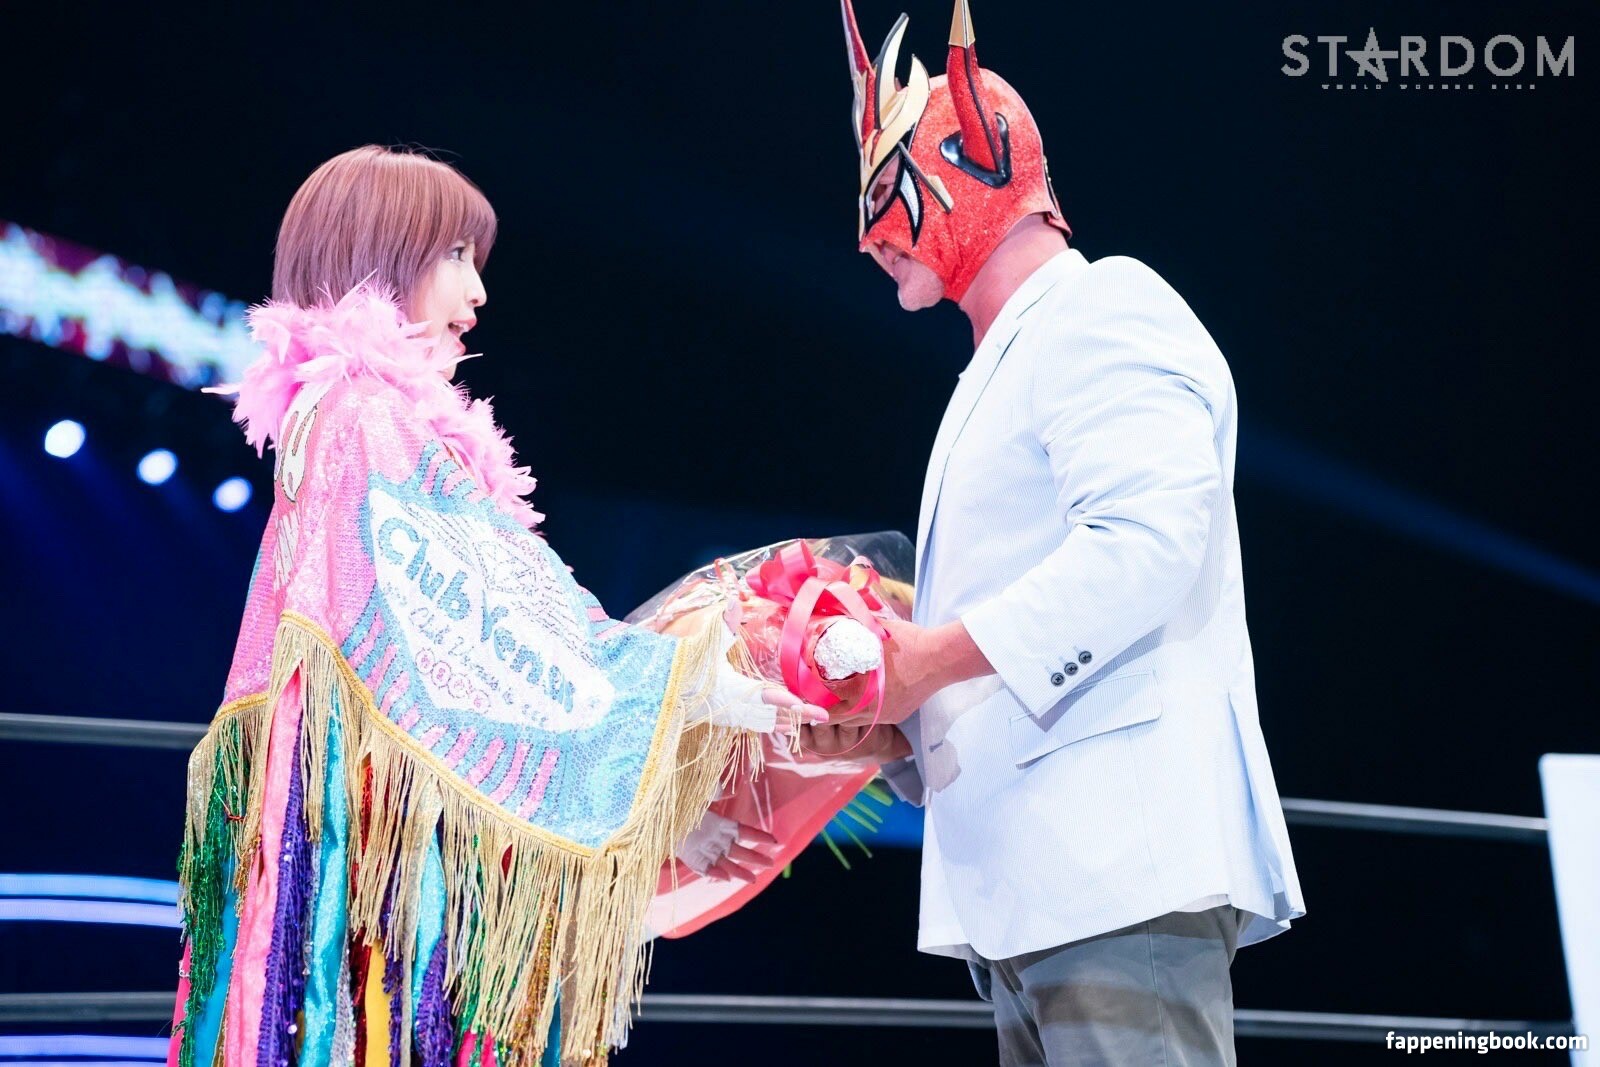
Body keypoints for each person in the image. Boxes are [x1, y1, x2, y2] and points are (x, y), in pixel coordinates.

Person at [167, 145, 820, 1067]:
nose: (477, 293)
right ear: (380, 252)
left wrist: (669, 807)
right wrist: (696, 679)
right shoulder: (367, 421)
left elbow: (486, 645)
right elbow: (502, 631)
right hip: (374, 871)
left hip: (369, 847)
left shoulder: (364, 420)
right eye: (455, 256)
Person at [802, 5, 1306, 1064]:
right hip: (1035, 893)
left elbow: (1143, 545)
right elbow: (1018, 620)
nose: (869, 235)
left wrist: (927, 657)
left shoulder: (1104, 306)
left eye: (889, 191)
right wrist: (894, 723)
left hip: (1115, 871)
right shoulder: (998, 365)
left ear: (974, 172)